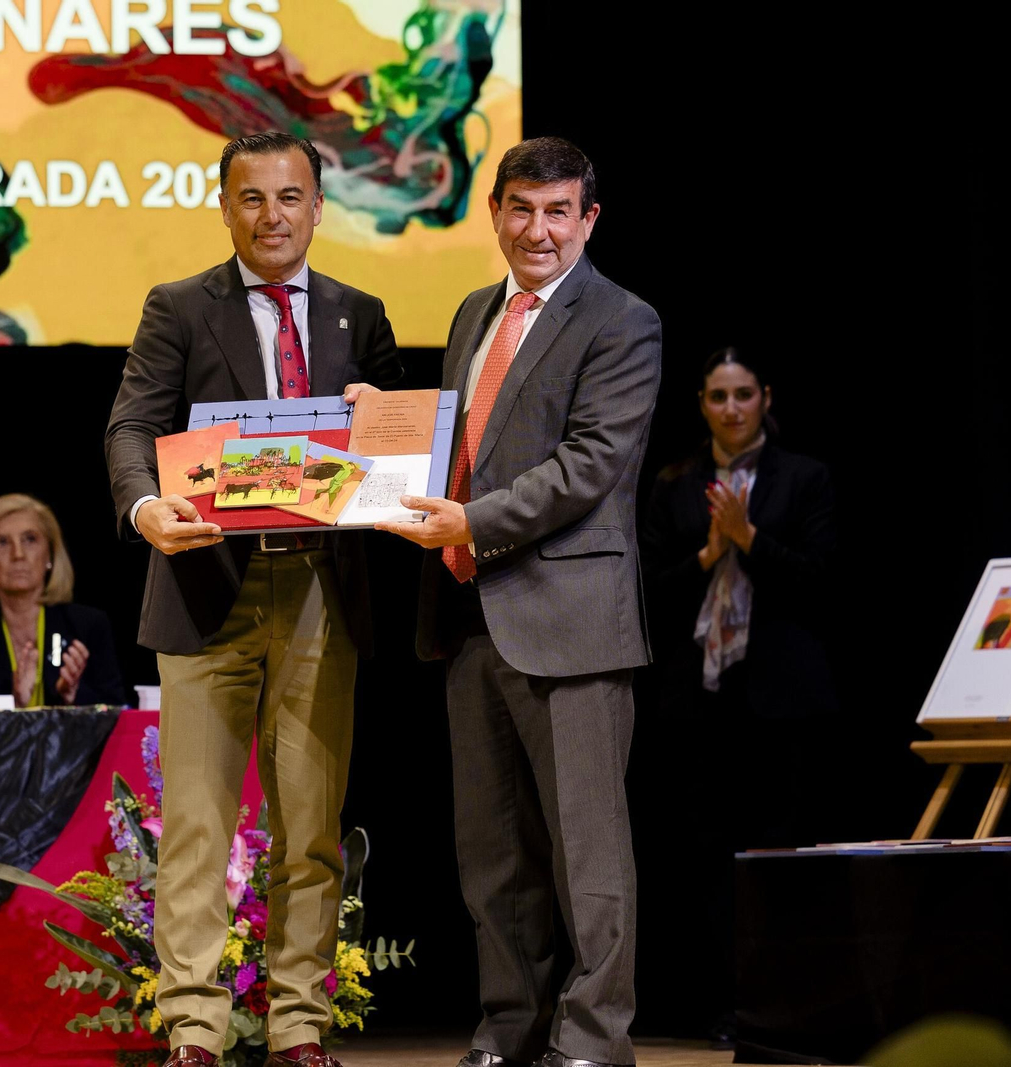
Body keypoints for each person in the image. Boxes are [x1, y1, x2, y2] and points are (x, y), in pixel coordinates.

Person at [104, 131, 401, 1067]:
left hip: (321, 589)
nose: (272, 216)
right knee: (194, 823)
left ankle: (298, 1026)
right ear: (224, 206)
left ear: (318, 207)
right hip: (206, 587)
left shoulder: (361, 314)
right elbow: (131, 426)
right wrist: (146, 506)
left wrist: (378, 426)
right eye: (253, 198)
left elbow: (400, 458)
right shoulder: (180, 307)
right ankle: (194, 1029)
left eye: (290, 197)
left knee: (309, 826)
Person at [378, 137, 661, 1067]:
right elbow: (460, 442)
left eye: (557, 212)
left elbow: (588, 467)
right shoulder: (472, 312)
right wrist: (374, 437)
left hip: (571, 622)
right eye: (520, 209)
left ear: (588, 220)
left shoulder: (623, 320)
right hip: (469, 617)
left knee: (588, 855)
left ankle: (592, 1039)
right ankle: (510, 1029)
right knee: (491, 860)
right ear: (493, 211)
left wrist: (469, 518)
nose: (536, 230)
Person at [636, 347, 837, 1042]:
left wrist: (749, 539)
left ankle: (791, 1004)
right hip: (699, 698)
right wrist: (707, 554)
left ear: (766, 398)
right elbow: (646, 592)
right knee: (710, 859)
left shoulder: (803, 479)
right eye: (717, 395)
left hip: (781, 696)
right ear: (700, 403)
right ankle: (737, 1004)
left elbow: (822, 581)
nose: (730, 407)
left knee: (781, 852)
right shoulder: (675, 480)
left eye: (743, 394)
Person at [0, 493, 127, 706]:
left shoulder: (88, 627)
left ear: (50, 556)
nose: (18, 554)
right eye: (2, 542)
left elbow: (117, 713)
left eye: (30, 539)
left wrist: (72, 695)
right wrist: (14, 704)